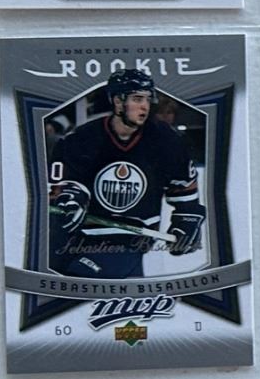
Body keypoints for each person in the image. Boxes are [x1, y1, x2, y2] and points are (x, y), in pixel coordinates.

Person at [47, 68, 203, 279]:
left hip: (131, 239)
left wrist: (187, 218)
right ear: (118, 101)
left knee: (88, 281)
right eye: (137, 99)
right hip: (79, 238)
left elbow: (183, 185)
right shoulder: (83, 138)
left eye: (147, 99)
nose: (144, 106)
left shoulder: (166, 140)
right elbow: (63, 184)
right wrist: (71, 197)